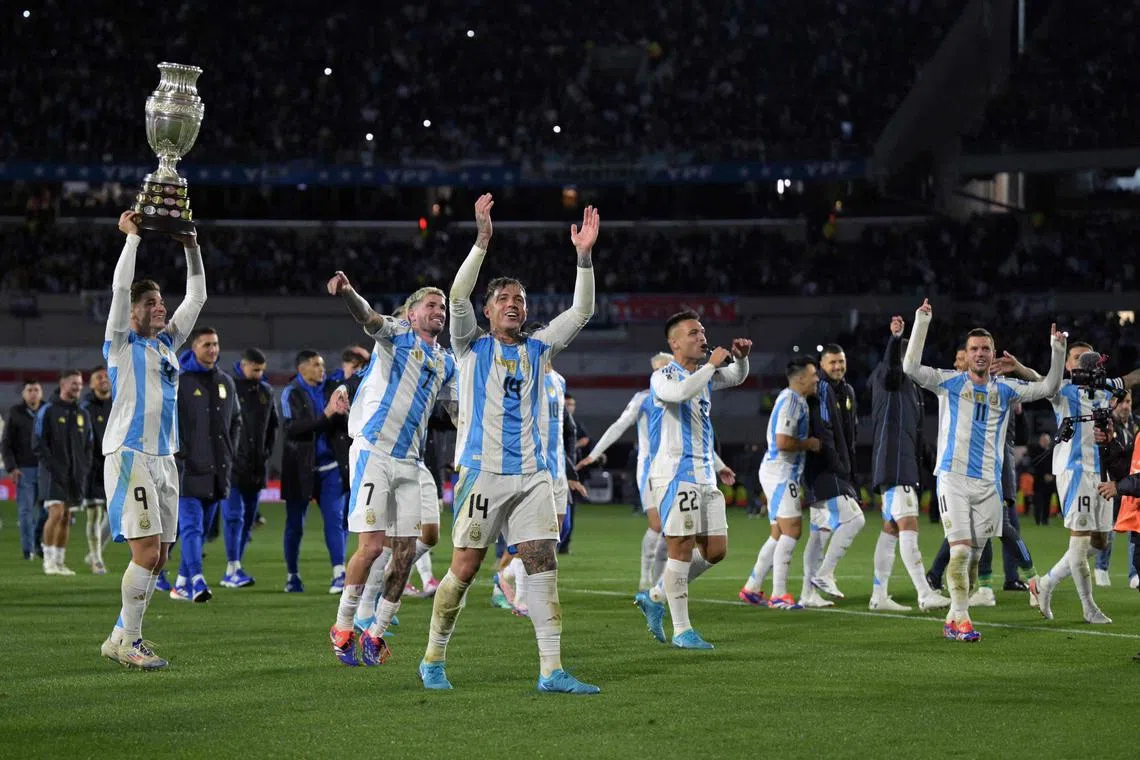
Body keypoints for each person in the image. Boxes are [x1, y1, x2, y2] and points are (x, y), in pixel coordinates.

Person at [418, 195, 600, 694]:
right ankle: (433, 656)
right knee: (465, 568)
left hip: (535, 477)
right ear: (488, 309)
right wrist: (480, 243)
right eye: (504, 299)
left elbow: (582, 310)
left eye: (520, 299)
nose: (514, 305)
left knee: (543, 562)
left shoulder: (542, 347)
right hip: (482, 473)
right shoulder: (469, 345)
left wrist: (583, 258)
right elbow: (455, 299)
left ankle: (551, 670)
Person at [902, 299, 1064, 642]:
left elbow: (1050, 388)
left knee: (973, 558)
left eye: (986, 348)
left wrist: (1057, 349)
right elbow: (911, 368)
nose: (980, 353)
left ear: (993, 355)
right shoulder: (949, 382)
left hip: (988, 485)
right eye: (974, 348)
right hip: (953, 479)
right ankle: (961, 620)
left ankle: (953, 615)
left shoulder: (1005, 390)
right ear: (966, 353)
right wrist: (921, 322)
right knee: (960, 550)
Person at [324, 276, 457, 667]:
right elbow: (367, 316)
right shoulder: (396, 335)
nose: (439, 311)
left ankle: (375, 632)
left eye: (443, 306)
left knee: (403, 554)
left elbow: (456, 411)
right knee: (370, 547)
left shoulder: (446, 362)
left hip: (410, 462)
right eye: (431, 305)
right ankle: (343, 625)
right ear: (413, 313)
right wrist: (348, 291)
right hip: (374, 452)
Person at [100, 210, 206, 670]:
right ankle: (132, 643)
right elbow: (121, 290)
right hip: (130, 453)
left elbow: (198, 295)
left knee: (160, 555)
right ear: (135, 310)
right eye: (151, 303)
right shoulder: (120, 343)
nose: (160, 307)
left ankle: (118, 636)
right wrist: (132, 240)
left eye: (162, 301)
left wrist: (191, 245)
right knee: (145, 551)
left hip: (165, 458)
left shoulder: (167, 345)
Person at [998, 342, 1140, 623]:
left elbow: (1131, 378)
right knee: (1079, 543)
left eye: (1090, 359)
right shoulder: (1062, 389)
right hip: (1074, 472)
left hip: (1101, 472)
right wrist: (1019, 368)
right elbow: (1039, 379)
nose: (1085, 363)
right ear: (1067, 364)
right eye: (1077, 358)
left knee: (1100, 541)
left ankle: (1044, 584)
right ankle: (1089, 608)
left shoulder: (1105, 387)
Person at [633, 311, 750, 648]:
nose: (702, 337)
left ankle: (655, 595)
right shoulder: (662, 377)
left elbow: (737, 377)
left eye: (702, 332)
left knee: (716, 551)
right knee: (680, 548)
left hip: (703, 472)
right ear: (674, 343)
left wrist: (740, 360)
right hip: (674, 473)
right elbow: (681, 393)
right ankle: (682, 630)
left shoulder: (704, 374)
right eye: (693, 333)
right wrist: (712, 365)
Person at [868, 316, 951, 611]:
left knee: (891, 530)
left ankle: (879, 596)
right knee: (908, 525)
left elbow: (915, 435)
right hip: (894, 464)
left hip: (901, 464)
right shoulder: (890, 377)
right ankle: (923, 592)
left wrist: (930, 461)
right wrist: (895, 339)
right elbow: (892, 369)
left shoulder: (910, 388)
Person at [578, 352, 673, 590]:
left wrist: (719, 465)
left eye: (665, 369)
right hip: (650, 469)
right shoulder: (643, 399)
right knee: (658, 525)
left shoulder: (680, 399)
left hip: (675, 470)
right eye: (658, 369)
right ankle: (645, 578)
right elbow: (619, 426)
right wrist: (594, 453)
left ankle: (659, 586)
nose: (661, 373)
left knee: (670, 530)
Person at [167, 327, 242, 603]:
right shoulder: (181, 382)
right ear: (194, 348)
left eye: (216, 344)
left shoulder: (226, 382)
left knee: (203, 529)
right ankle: (197, 579)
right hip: (188, 469)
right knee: (191, 528)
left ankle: (181, 583)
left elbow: (236, 421)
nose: (213, 349)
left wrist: (229, 452)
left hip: (218, 470)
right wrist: (180, 453)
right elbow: (169, 421)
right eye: (207, 344)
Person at [740, 356, 820, 609]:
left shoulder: (795, 400)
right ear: (800, 378)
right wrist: (810, 443)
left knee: (778, 533)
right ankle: (779, 594)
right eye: (813, 374)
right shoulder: (791, 401)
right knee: (792, 530)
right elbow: (783, 442)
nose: (816, 378)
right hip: (781, 472)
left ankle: (752, 587)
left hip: (781, 472)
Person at [280, 349, 351, 593]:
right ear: (302, 369)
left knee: (335, 520)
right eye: (315, 365)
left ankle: (339, 573)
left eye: (322, 365)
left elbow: (349, 373)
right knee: (295, 525)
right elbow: (292, 428)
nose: (321, 369)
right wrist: (326, 415)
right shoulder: (291, 393)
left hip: (331, 467)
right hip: (300, 468)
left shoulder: (331, 388)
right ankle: (293, 575)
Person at [802, 343, 865, 605]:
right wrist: (840, 465)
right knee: (855, 520)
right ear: (822, 366)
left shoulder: (847, 390)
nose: (838, 367)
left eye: (841, 362)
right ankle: (826, 573)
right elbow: (825, 431)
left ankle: (807, 594)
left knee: (820, 532)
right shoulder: (822, 390)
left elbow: (850, 435)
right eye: (832, 363)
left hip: (837, 467)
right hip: (823, 468)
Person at [222, 347, 278, 588]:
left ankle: (236, 566)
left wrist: (266, 453)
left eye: (261, 371)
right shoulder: (229, 388)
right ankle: (231, 567)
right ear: (243, 365)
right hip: (232, 467)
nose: (258, 374)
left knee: (247, 520)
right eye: (255, 370)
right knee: (234, 517)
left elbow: (273, 427)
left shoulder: (266, 391)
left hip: (256, 467)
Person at [34, 369, 93, 575]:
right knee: (56, 513)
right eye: (74, 383)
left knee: (67, 516)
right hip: (53, 474)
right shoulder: (48, 410)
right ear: (62, 384)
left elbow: (89, 445)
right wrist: (53, 468)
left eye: (80, 383)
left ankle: (59, 562)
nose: (78, 387)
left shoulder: (82, 413)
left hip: (76, 475)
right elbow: (39, 444)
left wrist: (83, 467)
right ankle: (48, 561)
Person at [1094, 389, 1138, 588]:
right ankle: (1101, 568)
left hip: (1126, 491)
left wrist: (1119, 487)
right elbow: (1125, 467)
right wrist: (1109, 444)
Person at [3, 379, 45, 560]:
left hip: (46, 469)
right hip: (24, 470)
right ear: (24, 394)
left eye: (36, 389)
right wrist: (12, 467)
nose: (33, 393)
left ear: (41, 393)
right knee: (26, 511)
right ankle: (28, 552)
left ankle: (39, 545)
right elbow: (6, 443)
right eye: (30, 390)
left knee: (47, 511)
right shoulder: (15, 412)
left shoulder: (48, 410)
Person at [82, 367, 113, 574]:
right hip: (93, 468)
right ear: (92, 385)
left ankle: (95, 552)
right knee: (93, 514)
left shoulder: (119, 402)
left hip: (116, 466)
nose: (103, 380)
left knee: (115, 515)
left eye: (106, 376)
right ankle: (96, 560)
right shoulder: (85, 408)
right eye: (98, 378)